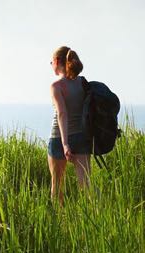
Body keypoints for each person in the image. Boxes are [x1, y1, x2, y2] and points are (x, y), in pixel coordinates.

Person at [48, 46, 91, 204]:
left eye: (51, 62)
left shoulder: (56, 86)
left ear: (57, 61)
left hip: (59, 138)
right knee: (86, 185)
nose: (51, 65)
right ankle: (96, 217)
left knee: (57, 185)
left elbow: (62, 114)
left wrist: (65, 144)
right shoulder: (82, 83)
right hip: (81, 136)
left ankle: (58, 223)